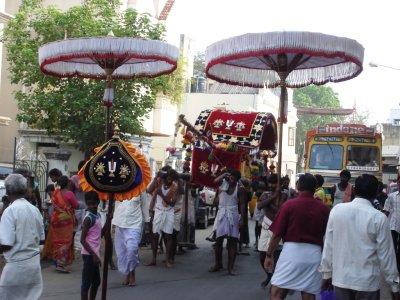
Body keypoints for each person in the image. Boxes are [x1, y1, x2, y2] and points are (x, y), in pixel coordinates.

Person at [319, 174, 400, 300]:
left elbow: (329, 246)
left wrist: (326, 274)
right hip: (368, 284)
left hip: (341, 280)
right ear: (376, 193)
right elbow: (387, 256)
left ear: (354, 190)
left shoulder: (337, 211)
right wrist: (395, 287)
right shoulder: (379, 218)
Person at [264, 173, 330, 300]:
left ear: (298, 186)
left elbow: (277, 234)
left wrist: (268, 255)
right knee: (308, 294)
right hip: (314, 255)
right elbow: (328, 238)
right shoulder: (324, 208)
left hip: (291, 254)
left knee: (277, 293)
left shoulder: (289, 205)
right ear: (315, 187)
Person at [0, 173, 45, 300]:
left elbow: (6, 243)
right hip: (34, 267)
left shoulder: (10, 211)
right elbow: (41, 239)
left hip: (16, 268)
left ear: (7, 192)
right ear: (25, 190)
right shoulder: (34, 210)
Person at [209, 168, 245, 276]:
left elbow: (243, 205)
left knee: (232, 242)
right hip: (221, 214)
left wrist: (242, 218)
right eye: (231, 178)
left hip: (233, 214)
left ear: (238, 180)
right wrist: (225, 173)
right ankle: (218, 264)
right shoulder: (223, 183)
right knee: (218, 241)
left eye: (234, 179)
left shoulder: (240, 189)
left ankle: (231, 268)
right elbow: (214, 181)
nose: (232, 181)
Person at [257, 174, 286, 288]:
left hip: (277, 227)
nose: (271, 185)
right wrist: (273, 198)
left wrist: (270, 203)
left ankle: (275, 281)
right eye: (269, 183)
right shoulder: (266, 194)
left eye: (273, 183)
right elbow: (260, 206)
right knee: (262, 255)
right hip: (266, 226)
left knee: (276, 255)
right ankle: (269, 276)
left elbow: (280, 211)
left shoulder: (283, 195)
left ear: (278, 184)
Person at [147, 168, 179, 267]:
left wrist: (161, 194)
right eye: (167, 178)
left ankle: (167, 260)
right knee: (155, 235)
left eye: (171, 179)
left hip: (169, 212)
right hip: (158, 211)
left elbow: (172, 204)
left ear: (173, 179)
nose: (169, 180)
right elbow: (148, 190)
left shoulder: (174, 187)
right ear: (165, 177)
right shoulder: (159, 182)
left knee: (168, 236)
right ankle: (154, 259)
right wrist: (156, 177)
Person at [112, 195, 145, 286]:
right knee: (122, 252)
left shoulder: (140, 187)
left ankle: (132, 272)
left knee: (132, 248)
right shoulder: (120, 186)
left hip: (135, 224)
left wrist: (147, 221)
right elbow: (115, 204)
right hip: (120, 222)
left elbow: (145, 205)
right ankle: (127, 274)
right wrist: (113, 222)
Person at [51, 175, 79, 273]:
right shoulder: (70, 194)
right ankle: (61, 264)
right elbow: (76, 205)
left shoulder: (55, 193)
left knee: (57, 241)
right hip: (66, 221)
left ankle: (58, 263)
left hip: (56, 220)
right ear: (67, 183)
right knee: (66, 242)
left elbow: (53, 205)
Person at [80, 191, 102, 300]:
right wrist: (93, 254)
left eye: (94, 203)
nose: (92, 206)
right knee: (86, 283)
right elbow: (82, 240)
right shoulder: (88, 218)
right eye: (89, 204)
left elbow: (98, 234)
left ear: (98, 202)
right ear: (86, 204)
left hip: (94, 254)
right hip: (89, 254)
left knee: (96, 282)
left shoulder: (98, 215)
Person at [383, 174, 400, 272]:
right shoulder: (391, 196)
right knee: (392, 247)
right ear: (397, 183)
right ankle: (392, 268)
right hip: (393, 225)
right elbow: (386, 211)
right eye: (399, 182)